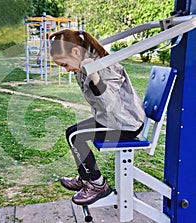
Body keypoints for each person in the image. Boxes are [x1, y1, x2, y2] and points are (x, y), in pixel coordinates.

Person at [49, 29, 145, 205]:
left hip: (125, 123)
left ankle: (98, 184)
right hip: (114, 119)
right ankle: (86, 178)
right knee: (73, 133)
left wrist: (94, 76)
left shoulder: (104, 67)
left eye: (65, 65)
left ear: (76, 52)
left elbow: (108, 104)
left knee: (75, 135)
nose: (67, 69)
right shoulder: (84, 66)